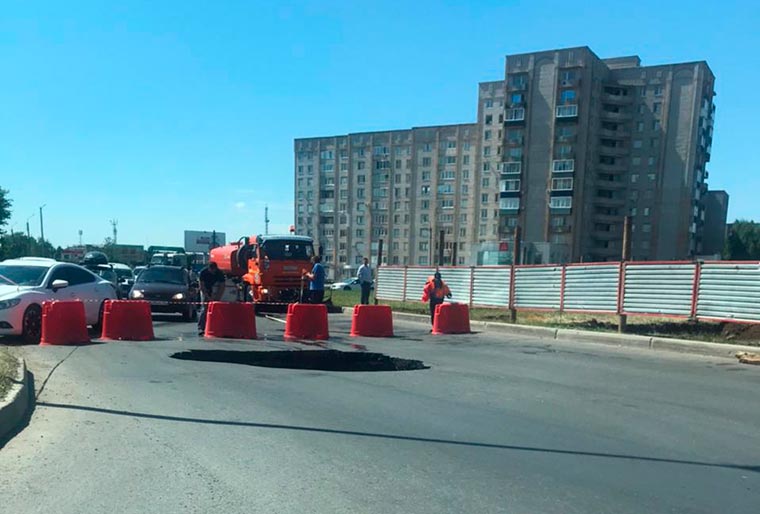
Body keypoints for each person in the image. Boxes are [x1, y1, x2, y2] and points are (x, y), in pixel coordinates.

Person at [198, 262, 226, 335]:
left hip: (215, 290)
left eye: (214, 270)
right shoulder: (203, 273)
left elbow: (222, 286)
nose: (213, 272)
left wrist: (217, 297)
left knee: (216, 309)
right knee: (205, 309)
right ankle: (201, 328)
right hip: (206, 290)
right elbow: (202, 286)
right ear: (209, 269)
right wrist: (207, 297)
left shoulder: (219, 273)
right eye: (212, 270)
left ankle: (216, 327)